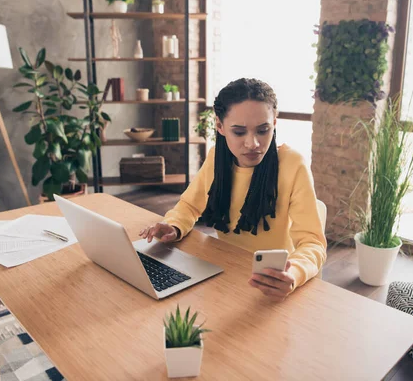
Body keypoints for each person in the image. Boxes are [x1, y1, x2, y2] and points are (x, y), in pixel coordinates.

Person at [139, 78, 326, 301]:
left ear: (274, 123)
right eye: (239, 132)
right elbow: (189, 205)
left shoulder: (293, 166)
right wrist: (174, 225)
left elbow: (313, 243)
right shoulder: (216, 160)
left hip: (273, 281)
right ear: (220, 126)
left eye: (263, 130)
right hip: (225, 272)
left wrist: (293, 272)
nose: (253, 143)